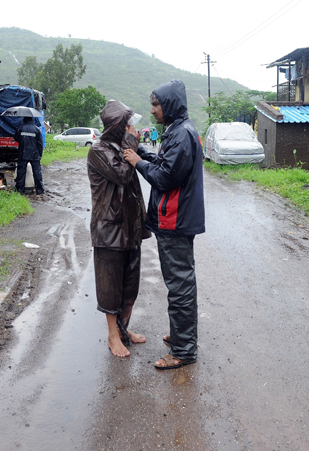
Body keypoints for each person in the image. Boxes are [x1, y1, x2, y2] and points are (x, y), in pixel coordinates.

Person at [123, 80, 205, 370]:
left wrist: (136, 162)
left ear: (169, 105)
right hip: (175, 220)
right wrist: (144, 154)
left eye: (157, 104)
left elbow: (164, 178)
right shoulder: (180, 131)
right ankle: (183, 336)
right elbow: (164, 162)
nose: (153, 110)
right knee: (181, 283)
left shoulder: (181, 134)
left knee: (180, 285)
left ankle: (183, 350)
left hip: (175, 221)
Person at [88, 100, 150, 357]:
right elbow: (123, 175)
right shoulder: (99, 150)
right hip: (109, 231)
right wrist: (131, 144)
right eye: (127, 123)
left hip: (130, 228)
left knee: (129, 286)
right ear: (116, 125)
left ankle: (124, 330)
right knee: (110, 287)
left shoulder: (121, 146)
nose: (131, 127)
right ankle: (113, 336)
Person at [13, 116, 44, 195]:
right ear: (32, 120)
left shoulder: (20, 128)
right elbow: (40, 143)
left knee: (21, 172)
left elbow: (16, 138)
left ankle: (20, 190)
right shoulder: (37, 129)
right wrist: (40, 154)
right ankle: (39, 190)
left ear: (24, 119)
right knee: (37, 173)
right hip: (34, 154)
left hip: (23, 153)